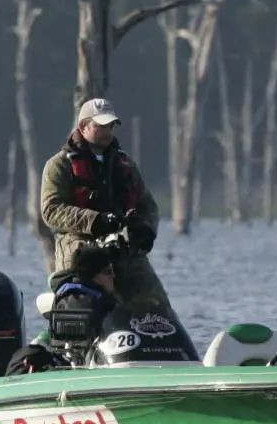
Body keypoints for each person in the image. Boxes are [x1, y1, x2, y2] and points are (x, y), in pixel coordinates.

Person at [40, 97, 183, 336]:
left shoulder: (125, 163)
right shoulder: (59, 165)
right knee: (87, 310)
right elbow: (51, 210)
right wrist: (96, 220)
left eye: (111, 126)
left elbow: (148, 206)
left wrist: (145, 230)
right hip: (82, 254)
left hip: (123, 251)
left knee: (156, 306)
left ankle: (163, 354)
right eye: (101, 126)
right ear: (83, 126)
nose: (108, 131)